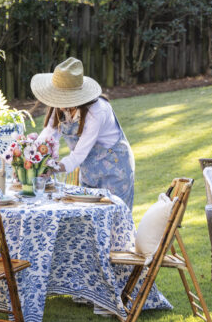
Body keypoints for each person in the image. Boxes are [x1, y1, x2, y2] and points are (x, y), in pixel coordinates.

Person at [30, 58, 135, 209]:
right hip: (89, 170)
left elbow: (78, 155)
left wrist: (52, 168)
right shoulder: (59, 107)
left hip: (115, 169)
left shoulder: (97, 111)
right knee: (88, 219)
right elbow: (48, 134)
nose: (57, 102)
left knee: (114, 218)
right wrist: (31, 157)